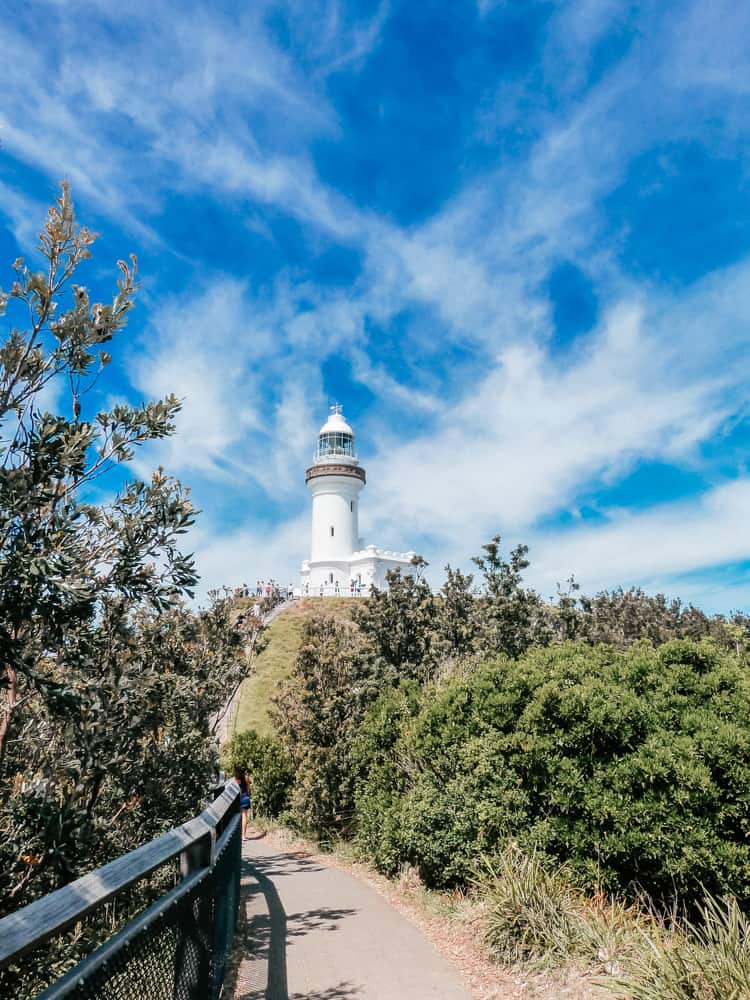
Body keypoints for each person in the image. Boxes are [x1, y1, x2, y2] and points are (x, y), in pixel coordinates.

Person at [232, 764, 251, 839]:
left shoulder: (234, 779)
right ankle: (243, 836)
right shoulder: (246, 777)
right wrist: (248, 796)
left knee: (235, 817)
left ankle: (235, 835)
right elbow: (248, 788)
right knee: (244, 817)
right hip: (245, 797)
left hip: (237, 799)